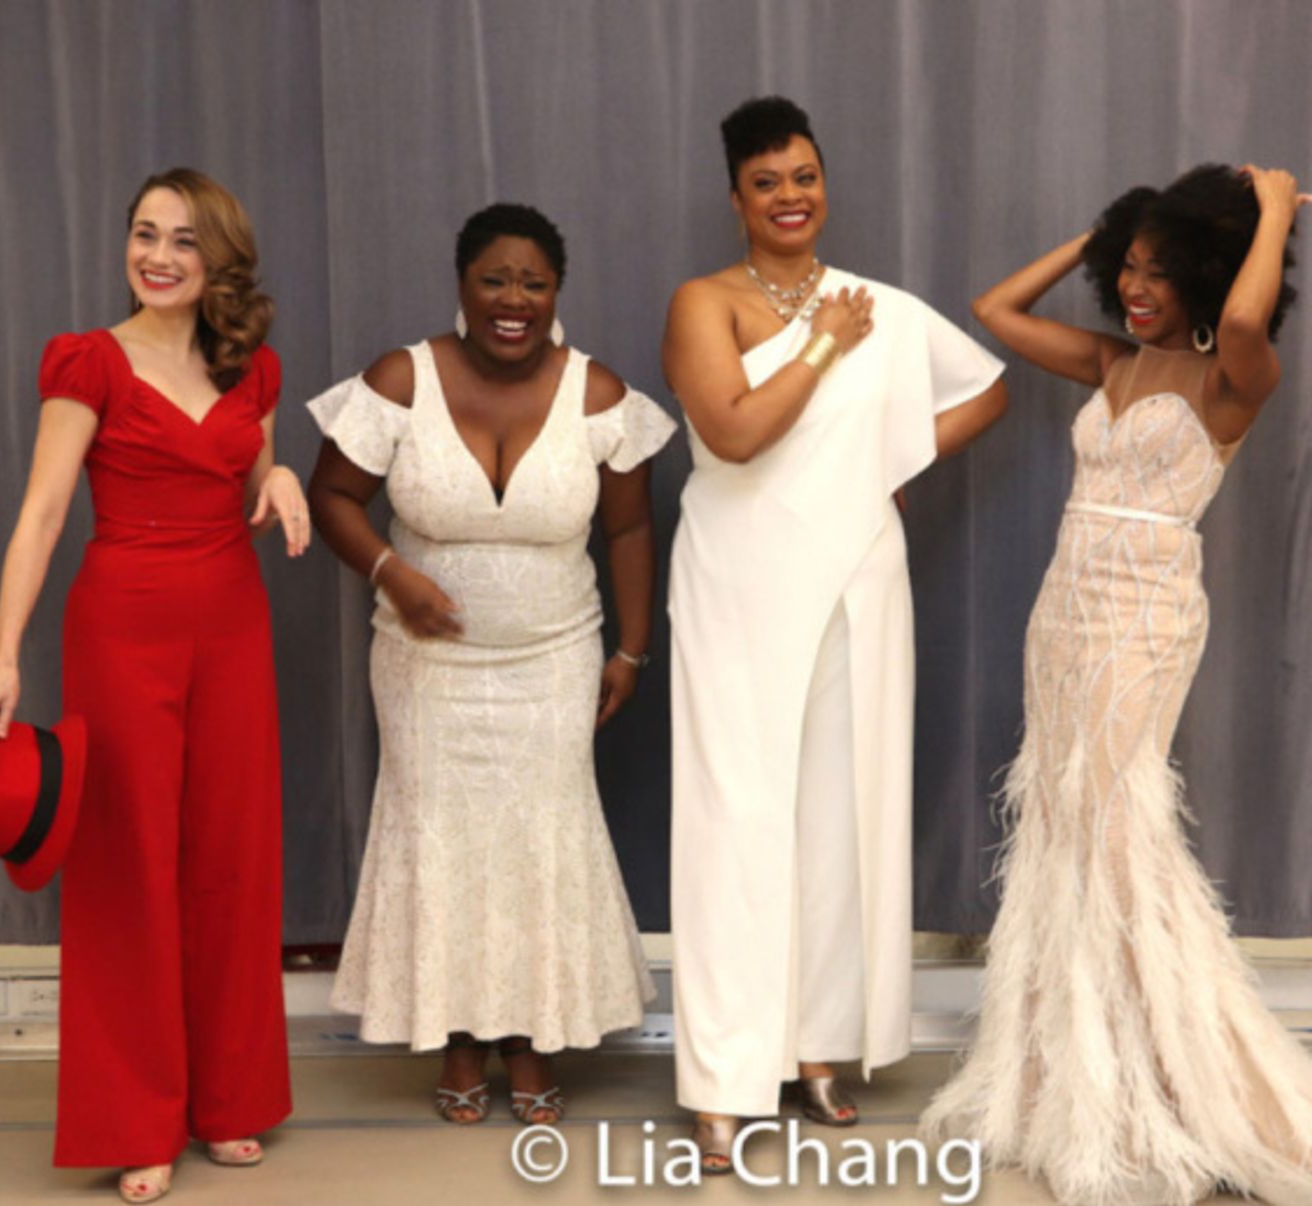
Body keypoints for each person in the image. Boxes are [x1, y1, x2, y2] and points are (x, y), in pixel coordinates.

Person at [921, 165, 1312, 1205]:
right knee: (1063, 823)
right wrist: (1102, 234)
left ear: (1208, 273)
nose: (1134, 289)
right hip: (1061, 614)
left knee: (1117, 827)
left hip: (1144, 617)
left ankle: (1195, 1081)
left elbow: (1242, 317)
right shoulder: (1112, 363)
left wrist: (1273, 210)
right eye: (1124, 269)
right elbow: (995, 310)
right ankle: (1087, 1071)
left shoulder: (1235, 375)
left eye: (1158, 270)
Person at [661, 96, 1008, 1171]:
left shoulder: (881, 308)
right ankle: (724, 1078)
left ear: (824, 184)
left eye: (803, 177)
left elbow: (988, 390)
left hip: (857, 572)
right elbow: (733, 431)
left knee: (838, 816)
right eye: (766, 182)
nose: (789, 196)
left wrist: (883, 461)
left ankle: (817, 1049)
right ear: (735, 198)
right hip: (737, 580)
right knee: (735, 819)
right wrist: (820, 342)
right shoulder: (705, 303)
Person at [0, 168, 308, 1204]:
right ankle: (136, 1119)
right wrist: (4, 654)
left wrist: (280, 476)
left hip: (232, 624)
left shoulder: (254, 368)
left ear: (218, 260)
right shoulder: (89, 363)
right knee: (129, 867)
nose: (158, 256)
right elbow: (40, 515)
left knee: (231, 855)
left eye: (183, 241)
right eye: (144, 234)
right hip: (123, 627)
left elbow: (248, 477)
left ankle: (229, 1098)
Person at [306, 202, 674, 1127]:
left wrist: (631, 648)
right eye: (495, 280)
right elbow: (334, 496)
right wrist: (393, 573)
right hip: (425, 666)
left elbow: (630, 527)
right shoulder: (401, 379)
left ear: (557, 291)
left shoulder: (598, 394)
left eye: (534, 283)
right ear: (463, 284)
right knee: (443, 841)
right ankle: (460, 1040)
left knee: (537, 842)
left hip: (554, 659)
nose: (514, 300)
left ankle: (531, 1039)